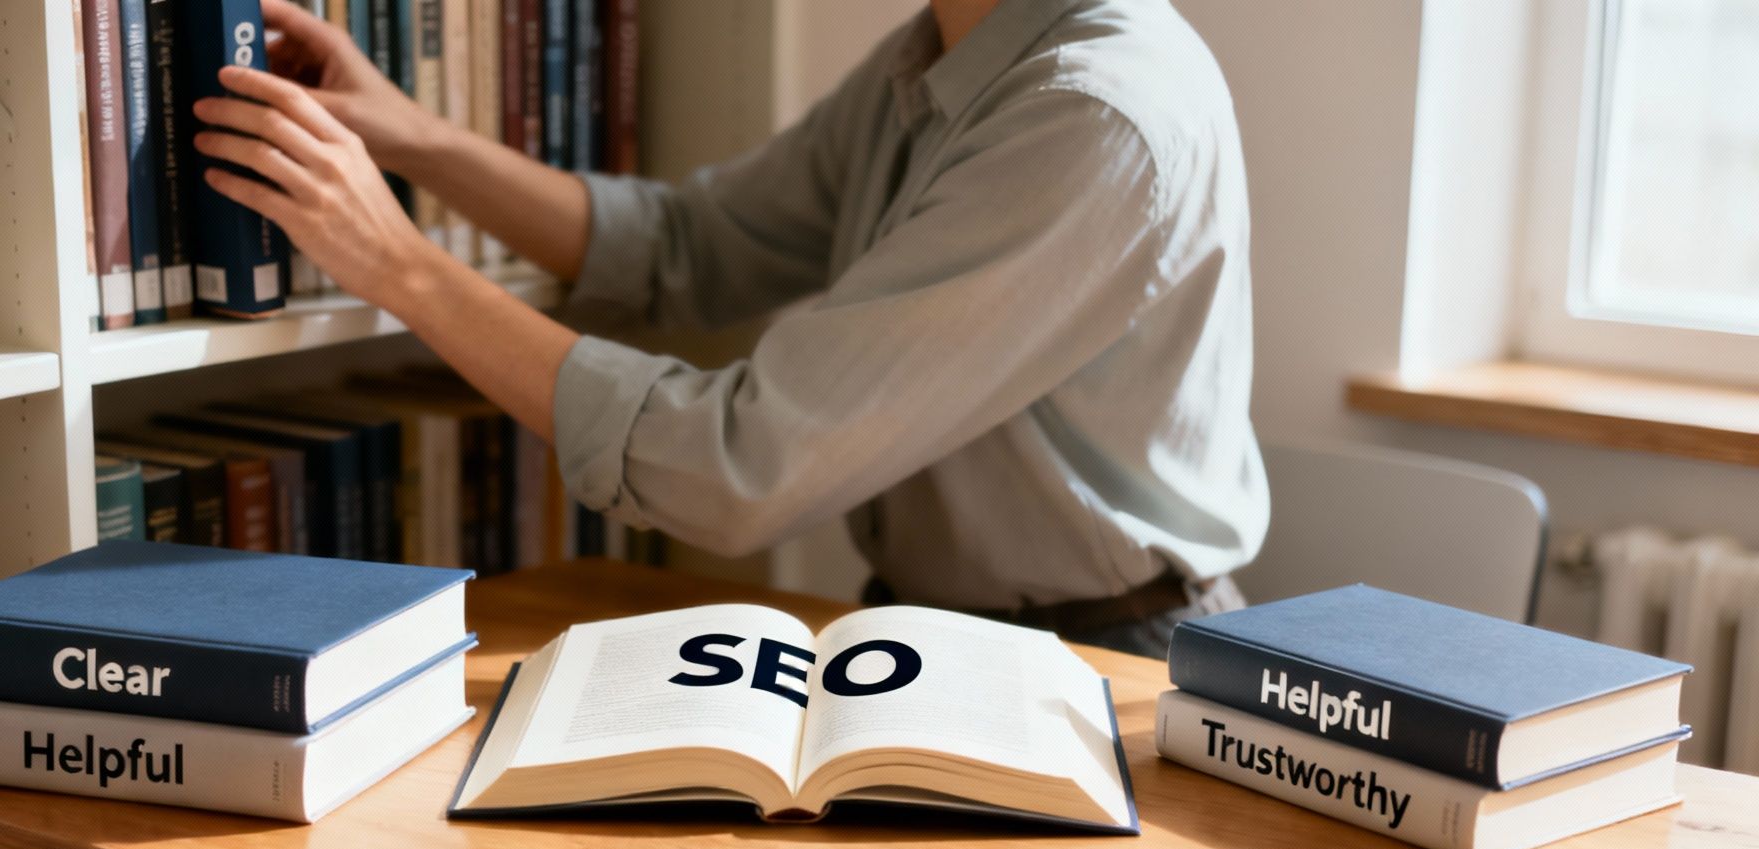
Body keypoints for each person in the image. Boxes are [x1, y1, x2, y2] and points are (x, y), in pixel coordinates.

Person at [191, 0, 1267, 658]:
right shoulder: (943, 54)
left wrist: (397, 265)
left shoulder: (1092, 109)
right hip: (937, 633)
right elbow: (688, 246)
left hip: (1099, 658)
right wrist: (416, 139)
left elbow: (742, 465)